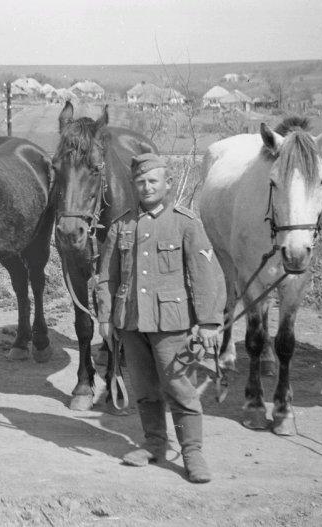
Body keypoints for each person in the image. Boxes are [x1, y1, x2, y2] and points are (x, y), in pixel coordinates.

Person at [95, 152, 221, 483]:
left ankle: (192, 452)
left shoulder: (186, 223)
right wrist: (105, 318)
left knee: (180, 387)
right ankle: (153, 444)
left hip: (171, 323)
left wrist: (209, 322)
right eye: (140, 182)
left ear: (168, 183)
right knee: (144, 388)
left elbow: (205, 275)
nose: (147, 187)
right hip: (131, 321)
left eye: (153, 181)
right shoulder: (121, 225)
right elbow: (106, 277)